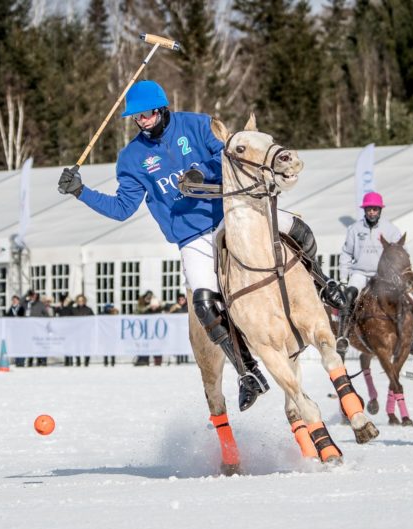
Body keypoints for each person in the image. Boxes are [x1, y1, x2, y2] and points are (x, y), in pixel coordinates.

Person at [57, 80, 346, 411]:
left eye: (147, 114)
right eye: (136, 117)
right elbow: (121, 209)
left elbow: (225, 158)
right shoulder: (132, 157)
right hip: (191, 237)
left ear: (161, 108)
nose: (142, 121)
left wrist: (200, 172)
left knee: (298, 230)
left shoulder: (195, 124)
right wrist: (81, 192)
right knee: (204, 303)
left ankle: (325, 285)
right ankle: (247, 371)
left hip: (230, 215)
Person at [337, 191, 405, 335]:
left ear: (380, 210)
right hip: (359, 274)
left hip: (382, 275)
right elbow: (346, 253)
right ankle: (343, 334)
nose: (372, 212)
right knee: (348, 297)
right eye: (369, 209)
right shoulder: (354, 229)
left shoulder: (390, 229)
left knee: (400, 299)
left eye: (375, 209)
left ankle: (407, 336)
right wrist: (343, 278)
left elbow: (400, 252)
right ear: (364, 210)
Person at [67, 294, 94, 367]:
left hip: (86, 331)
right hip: (77, 331)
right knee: (77, 347)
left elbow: (92, 320)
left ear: (84, 301)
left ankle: (86, 362)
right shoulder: (74, 309)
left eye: (82, 300)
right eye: (79, 301)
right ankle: (78, 361)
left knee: (87, 347)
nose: (80, 302)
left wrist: (89, 327)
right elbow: (69, 319)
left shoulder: (89, 309)